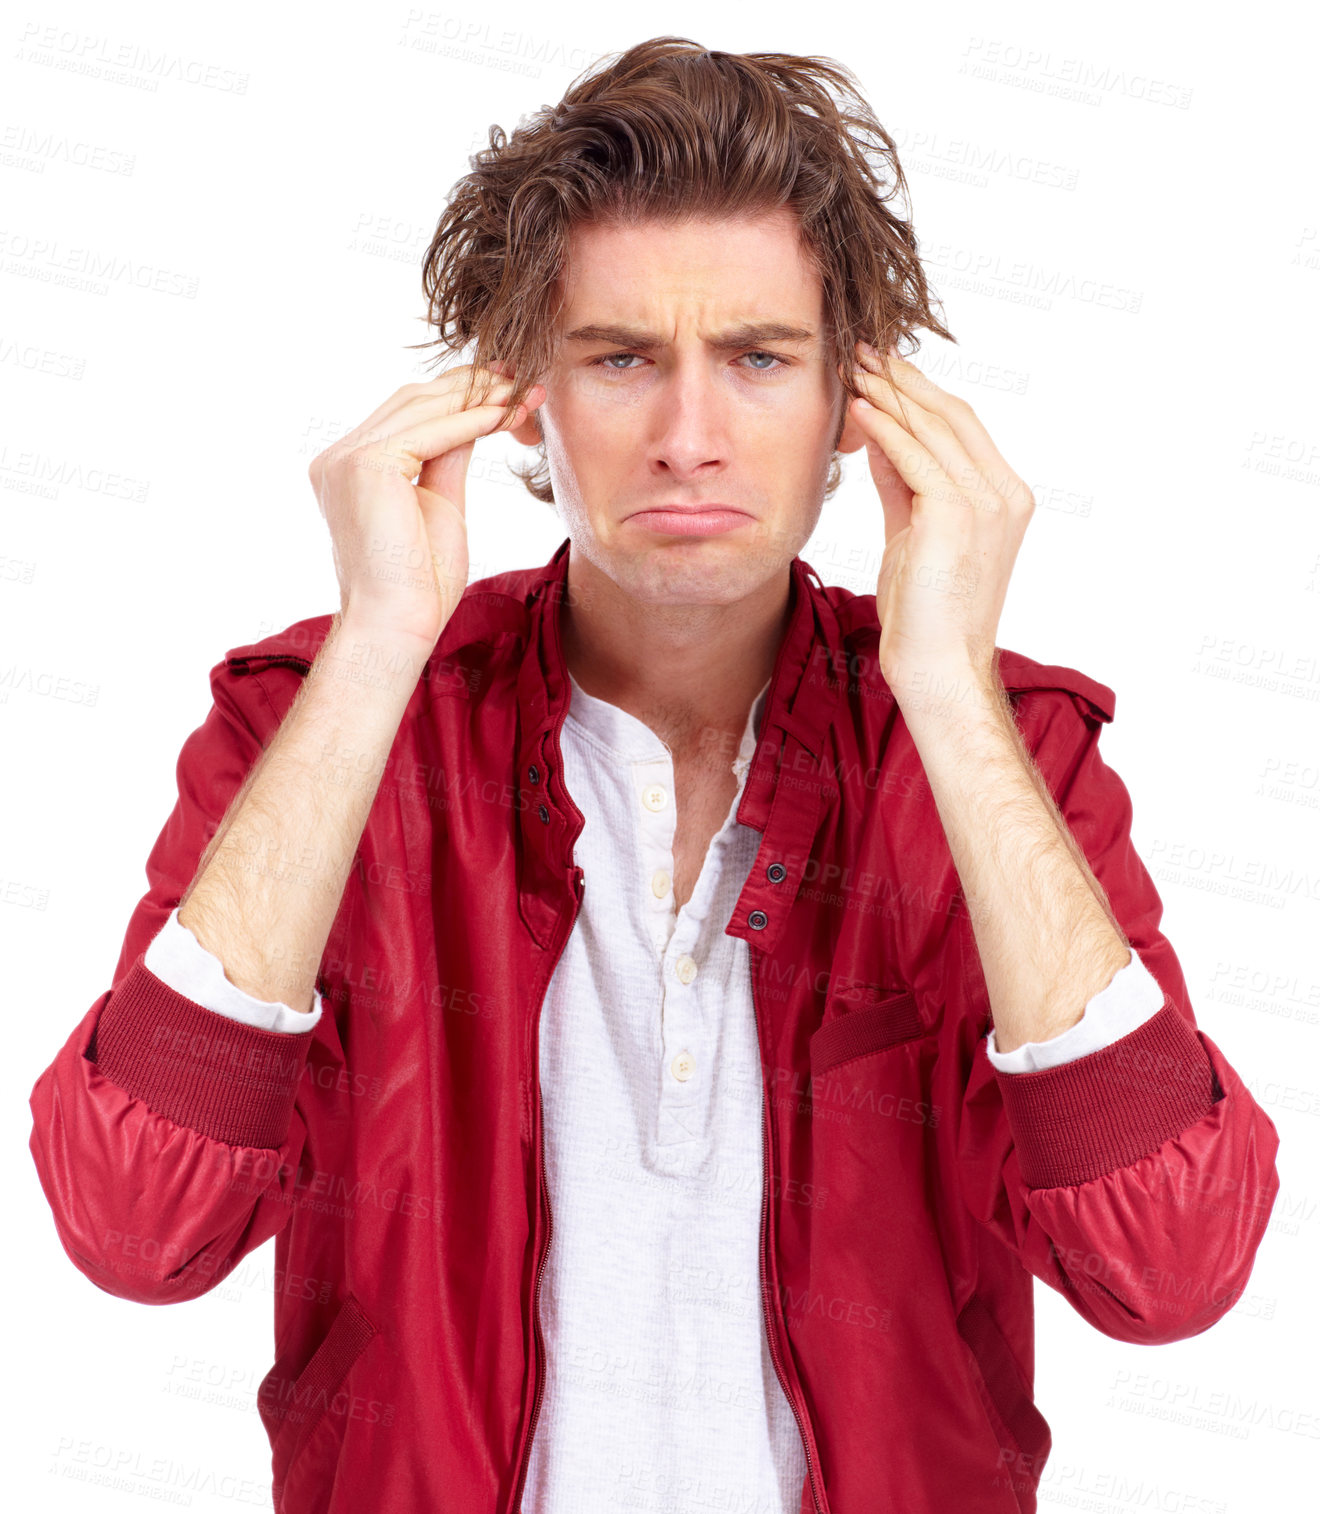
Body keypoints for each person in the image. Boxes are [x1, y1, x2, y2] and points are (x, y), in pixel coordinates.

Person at [29, 35, 1280, 1514]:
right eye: (621, 359)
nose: (690, 438)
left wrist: (945, 686)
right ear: (523, 400)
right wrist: (377, 647)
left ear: (851, 411)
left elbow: (1171, 1266)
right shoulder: (321, 728)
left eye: (759, 359)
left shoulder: (1004, 754)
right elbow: (132, 1220)